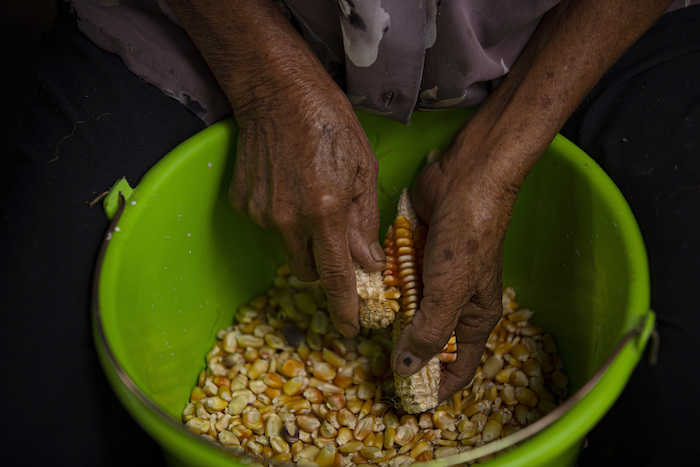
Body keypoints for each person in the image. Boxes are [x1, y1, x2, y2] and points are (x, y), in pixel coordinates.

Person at [1, 0, 697, 465]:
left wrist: (500, 155)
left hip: (561, 37)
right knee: (31, 411)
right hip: (211, 28)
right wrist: (264, 78)